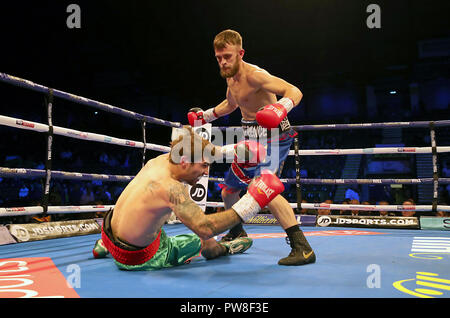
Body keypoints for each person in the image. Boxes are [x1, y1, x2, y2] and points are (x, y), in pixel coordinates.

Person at [187, 29, 315, 266]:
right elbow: (231, 104)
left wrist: (281, 108)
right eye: (219, 58)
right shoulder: (230, 76)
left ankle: (302, 247)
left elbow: (294, 90)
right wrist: (204, 116)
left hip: (275, 136)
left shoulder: (256, 75)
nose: (223, 62)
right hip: (251, 139)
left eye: (227, 56)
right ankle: (237, 232)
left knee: (263, 188)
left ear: (240, 53)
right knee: (229, 191)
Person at [92, 128, 284, 270]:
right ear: (184, 162)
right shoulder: (170, 188)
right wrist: (253, 201)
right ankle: (225, 249)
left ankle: (104, 247)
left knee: (159, 229)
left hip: (108, 234)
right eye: (203, 166)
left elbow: (205, 150)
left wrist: (237, 150)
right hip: (136, 258)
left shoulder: (161, 160)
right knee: (205, 239)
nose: (206, 171)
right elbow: (205, 228)